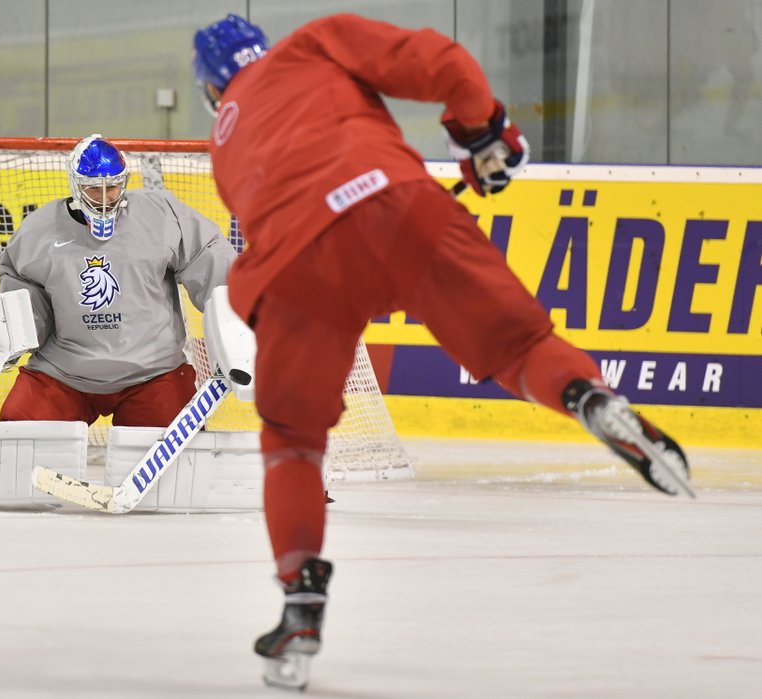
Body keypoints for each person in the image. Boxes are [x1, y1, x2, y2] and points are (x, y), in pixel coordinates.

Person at [191, 13, 693, 690]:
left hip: (293, 271)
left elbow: (311, 231)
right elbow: (440, 59)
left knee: (293, 443)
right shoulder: (311, 46)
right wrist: (482, 132)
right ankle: (588, 396)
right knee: (521, 346)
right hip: (396, 203)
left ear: (211, 90)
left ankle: (300, 599)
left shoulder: (224, 148)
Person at [0, 134, 236, 427]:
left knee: (179, 461)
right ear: (76, 185)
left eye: (113, 187)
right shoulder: (38, 232)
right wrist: (11, 337)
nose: (107, 197)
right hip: (65, 372)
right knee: (17, 433)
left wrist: (239, 322)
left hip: (152, 372)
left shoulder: (160, 215)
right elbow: (24, 300)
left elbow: (207, 256)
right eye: (95, 189)